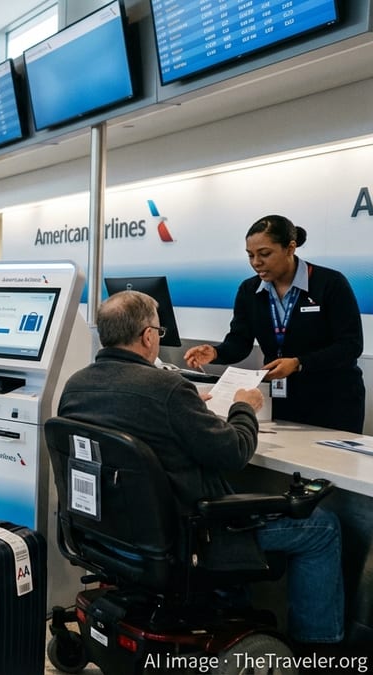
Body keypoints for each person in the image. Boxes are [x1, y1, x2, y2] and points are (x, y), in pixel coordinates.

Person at [60, 290, 346, 653]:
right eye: (158, 332)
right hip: (191, 536)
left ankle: (230, 603)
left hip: (107, 535)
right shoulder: (167, 389)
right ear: (147, 336)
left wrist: (189, 408)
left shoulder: (77, 385)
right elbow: (235, 452)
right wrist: (244, 407)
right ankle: (317, 651)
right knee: (322, 527)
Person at [184, 215, 364, 433]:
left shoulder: (330, 283)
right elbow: (240, 342)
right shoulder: (249, 290)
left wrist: (298, 363)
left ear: (290, 248)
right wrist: (215, 353)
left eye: (264, 254)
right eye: (250, 255)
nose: (256, 262)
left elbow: (350, 345)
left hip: (333, 399)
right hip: (279, 399)